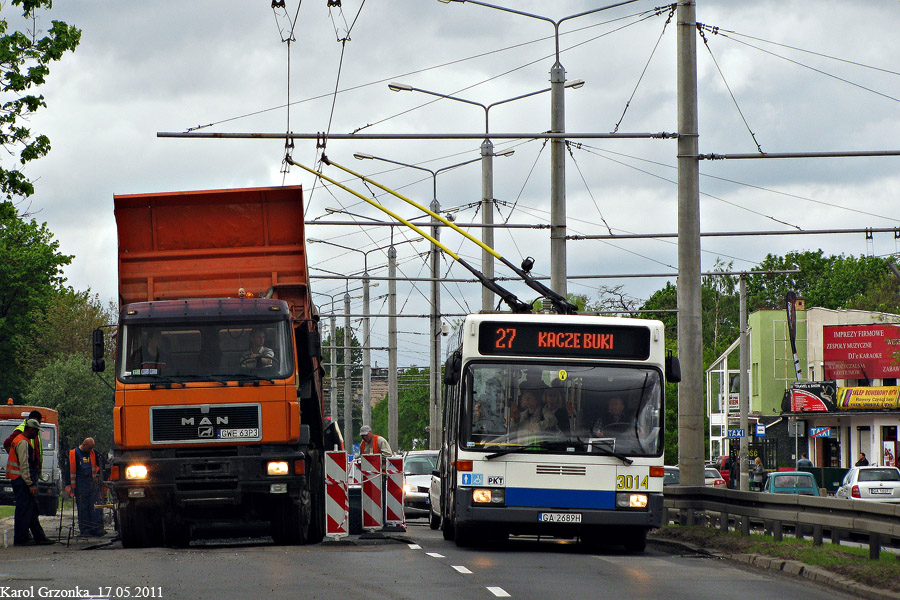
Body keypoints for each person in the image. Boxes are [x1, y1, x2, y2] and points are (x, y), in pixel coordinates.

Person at [5, 419, 53, 546]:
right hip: (22, 481)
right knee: (24, 511)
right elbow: (24, 465)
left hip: (18, 480)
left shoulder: (19, 440)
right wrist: (30, 484)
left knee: (31, 509)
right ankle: (21, 539)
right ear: (31, 429)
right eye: (36, 431)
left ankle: (39, 537)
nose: (37, 434)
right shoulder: (23, 442)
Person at [66, 437, 106, 537]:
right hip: (80, 486)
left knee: (95, 507)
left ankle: (96, 528)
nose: (90, 451)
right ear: (84, 445)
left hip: (92, 485)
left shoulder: (93, 453)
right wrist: (68, 485)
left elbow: (105, 464)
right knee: (83, 508)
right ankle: (85, 529)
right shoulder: (73, 454)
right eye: (89, 448)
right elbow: (68, 470)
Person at [3, 410, 44, 475]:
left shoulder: (35, 430)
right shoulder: (21, 430)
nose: (39, 425)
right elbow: (7, 443)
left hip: (32, 468)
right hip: (24, 470)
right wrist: (17, 458)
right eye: (38, 422)